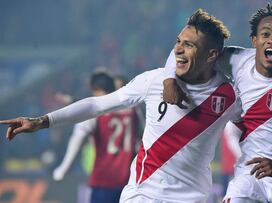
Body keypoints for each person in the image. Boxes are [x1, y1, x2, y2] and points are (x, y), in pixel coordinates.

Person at [0, 9, 243, 203]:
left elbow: (256, 135)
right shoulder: (153, 80)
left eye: (189, 45)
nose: (178, 48)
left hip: (192, 197)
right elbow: (97, 105)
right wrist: (42, 121)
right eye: (178, 41)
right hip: (142, 194)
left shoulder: (230, 96)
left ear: (211, 55)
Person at [163, 3, 272, 203]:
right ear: (254, 40)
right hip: (251, 177)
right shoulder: (237, 60)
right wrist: (169, 79)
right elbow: (189, 47)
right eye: (265, 34)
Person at [52, 71, 140, 203]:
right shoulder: (133, 110)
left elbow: (78, 138)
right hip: (129, 181)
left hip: (103, 180)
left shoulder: (94, 113)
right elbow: (143, 138)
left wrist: (63, 168)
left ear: (95, 89)